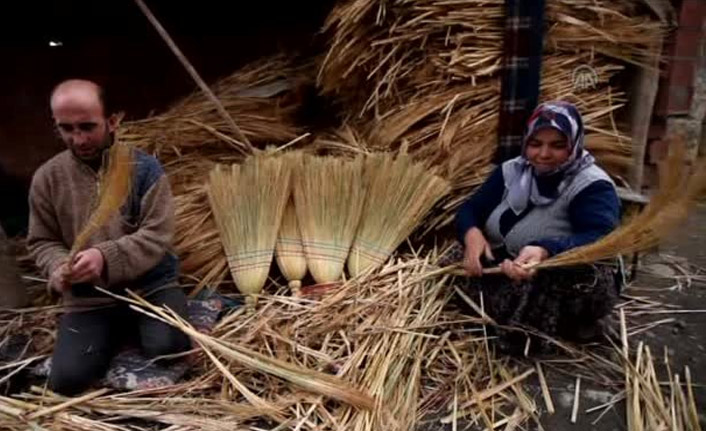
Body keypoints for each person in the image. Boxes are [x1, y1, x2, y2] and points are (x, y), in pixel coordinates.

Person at [28, 79, 190, 395]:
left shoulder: (144, 169)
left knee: (169, 348)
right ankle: (115, 329)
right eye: (67, 129)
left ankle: (142, 325)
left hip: (150, 287)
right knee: (68, 380)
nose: (78, 139)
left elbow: (157, 235)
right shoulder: (47, 178)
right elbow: (41, 241)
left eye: (88, 127)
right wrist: (60, 267)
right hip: (90, 297)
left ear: (113, 120)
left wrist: (106, 256)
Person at [453, 101, 622, 352]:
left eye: (557, 145)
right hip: (506, 262)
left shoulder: (591, 185)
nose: (543, 154)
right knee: (453, 263)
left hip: (558, 270)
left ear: (574, 144)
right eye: (535, 144)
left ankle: (576, 325)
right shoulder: (513, 170)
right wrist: (472, 234)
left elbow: (600, 238)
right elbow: (470, 209)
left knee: (523, 304)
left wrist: (545, 250)